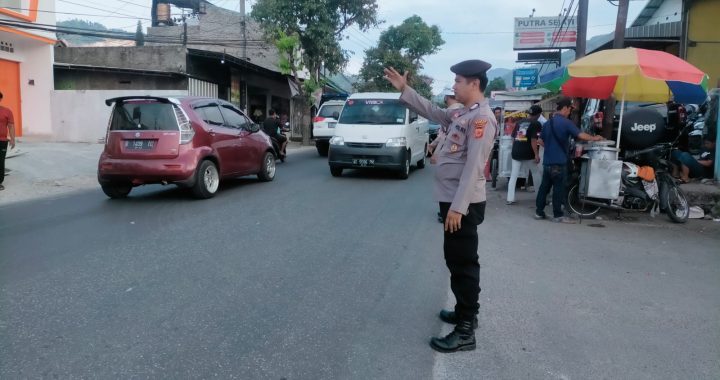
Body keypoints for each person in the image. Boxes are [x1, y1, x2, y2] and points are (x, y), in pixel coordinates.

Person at [384, 59, 497, 353]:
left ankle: (466, 331)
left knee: (463, 263)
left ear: (474, 83)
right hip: (453, 200)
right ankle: (464, 313)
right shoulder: (462, 113)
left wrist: (458, 208)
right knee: (455, 259)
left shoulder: (482, 119)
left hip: (463, 203)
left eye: (459, 81)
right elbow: (432, 110)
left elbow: (474, 168)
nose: (455, 86)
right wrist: (405, 89)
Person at [535, 97, 603, 223]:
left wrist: (550, 147)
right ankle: (558, 215)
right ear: (565, 108)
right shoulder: (566, 123)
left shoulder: (547, 123)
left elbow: (540, 140)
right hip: (559, 162)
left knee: (544, 188)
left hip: (547, 162)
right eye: (570, 109)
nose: (570, 112)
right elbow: (580, 135)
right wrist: (595, 138)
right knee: (558, 189)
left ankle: (539, 212)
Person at [506, 105, 543, 205]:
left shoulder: (519, 122)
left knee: (513, 175)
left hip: (516, 152)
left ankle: (510, 198)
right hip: (528, 153)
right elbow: (534, 140)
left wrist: (515, 149)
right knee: (536, 173)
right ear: (539, 114)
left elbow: (513, 138)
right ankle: (540, 197)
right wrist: (536, 154)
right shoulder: (537, 123)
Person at [0, 91, 16, 191]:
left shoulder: (7, 111)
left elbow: (11, 126)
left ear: (0, 99)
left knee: (1, 162)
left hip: (2, 141)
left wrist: (13, 139)